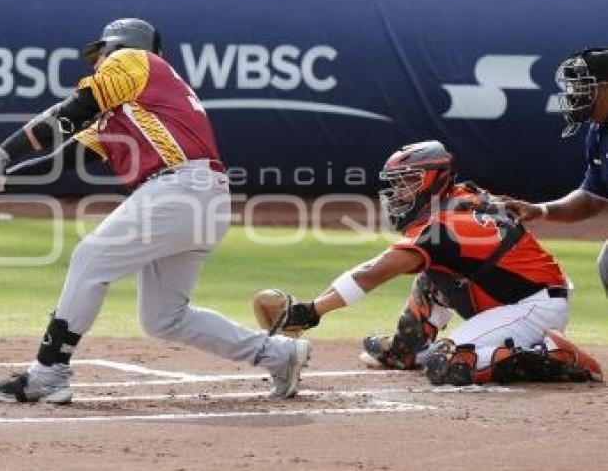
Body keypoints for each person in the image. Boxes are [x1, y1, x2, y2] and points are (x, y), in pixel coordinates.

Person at [0, 18, 310, 404]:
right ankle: (278, 354)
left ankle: (48, 372)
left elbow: (69, 111)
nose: (98, 62)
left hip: (180, 190)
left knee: (90, 259)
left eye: (102, 52)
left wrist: (0, 154)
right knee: (164, 318)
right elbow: (62, 159)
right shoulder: (126, 112)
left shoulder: (134, 60)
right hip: (201, 199)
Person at [255, 140, 602, 386]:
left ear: (434, 179)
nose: (398, 193)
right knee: (432, 274)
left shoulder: (443, 223)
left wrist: (311, 310)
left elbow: (375, 272)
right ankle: (407, 349)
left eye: (407, 183)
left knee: (445, 363)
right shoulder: (457, 199)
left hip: (533, 306)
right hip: (508, 298)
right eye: (397, 185)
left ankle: (553, 354)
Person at [501, 48, 608, 294]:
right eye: (573, 87)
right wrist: (540, 210)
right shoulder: (599, 130)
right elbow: (593, 198)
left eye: (583, 87)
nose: (574, 95)